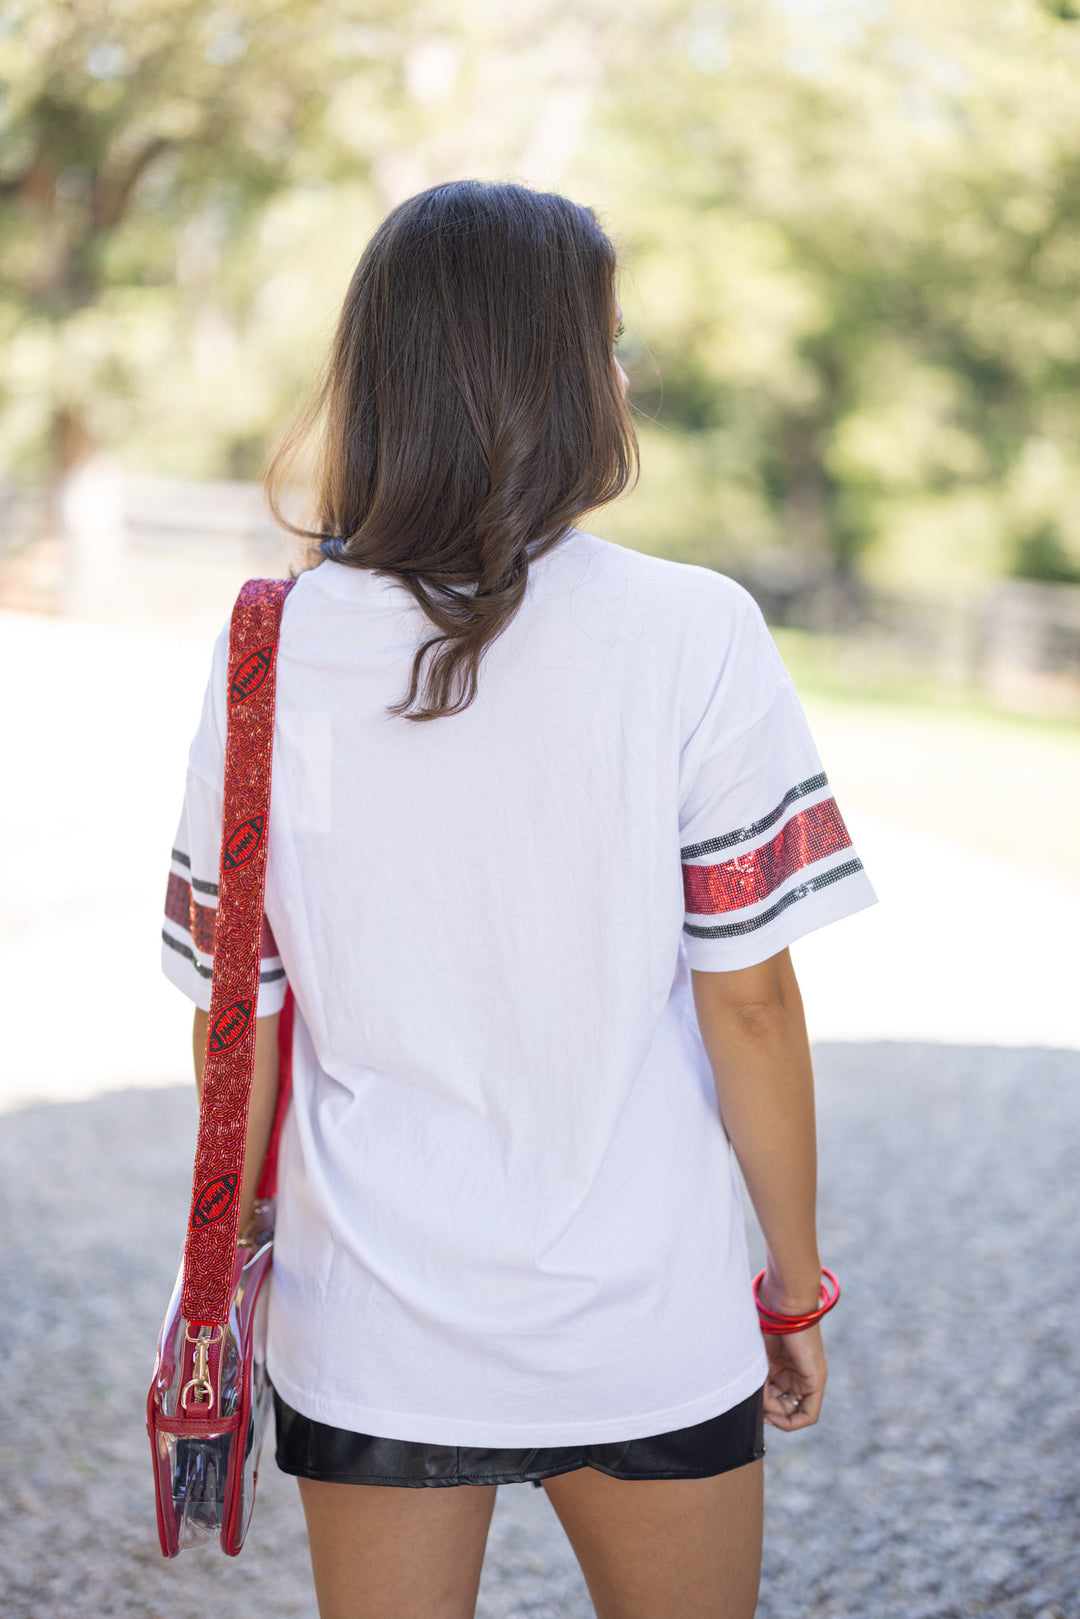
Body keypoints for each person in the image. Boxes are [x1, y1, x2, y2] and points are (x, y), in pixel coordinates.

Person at [162, 180, 877, 1619]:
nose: (621, 377)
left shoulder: (268, 652)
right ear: (556, 378)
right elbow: (751, 1003)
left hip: (370, 1317)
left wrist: (234, 1255)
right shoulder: (694, 630)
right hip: (646, 1315)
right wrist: (791, 1287)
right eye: (609, 345)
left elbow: (234, 1013)